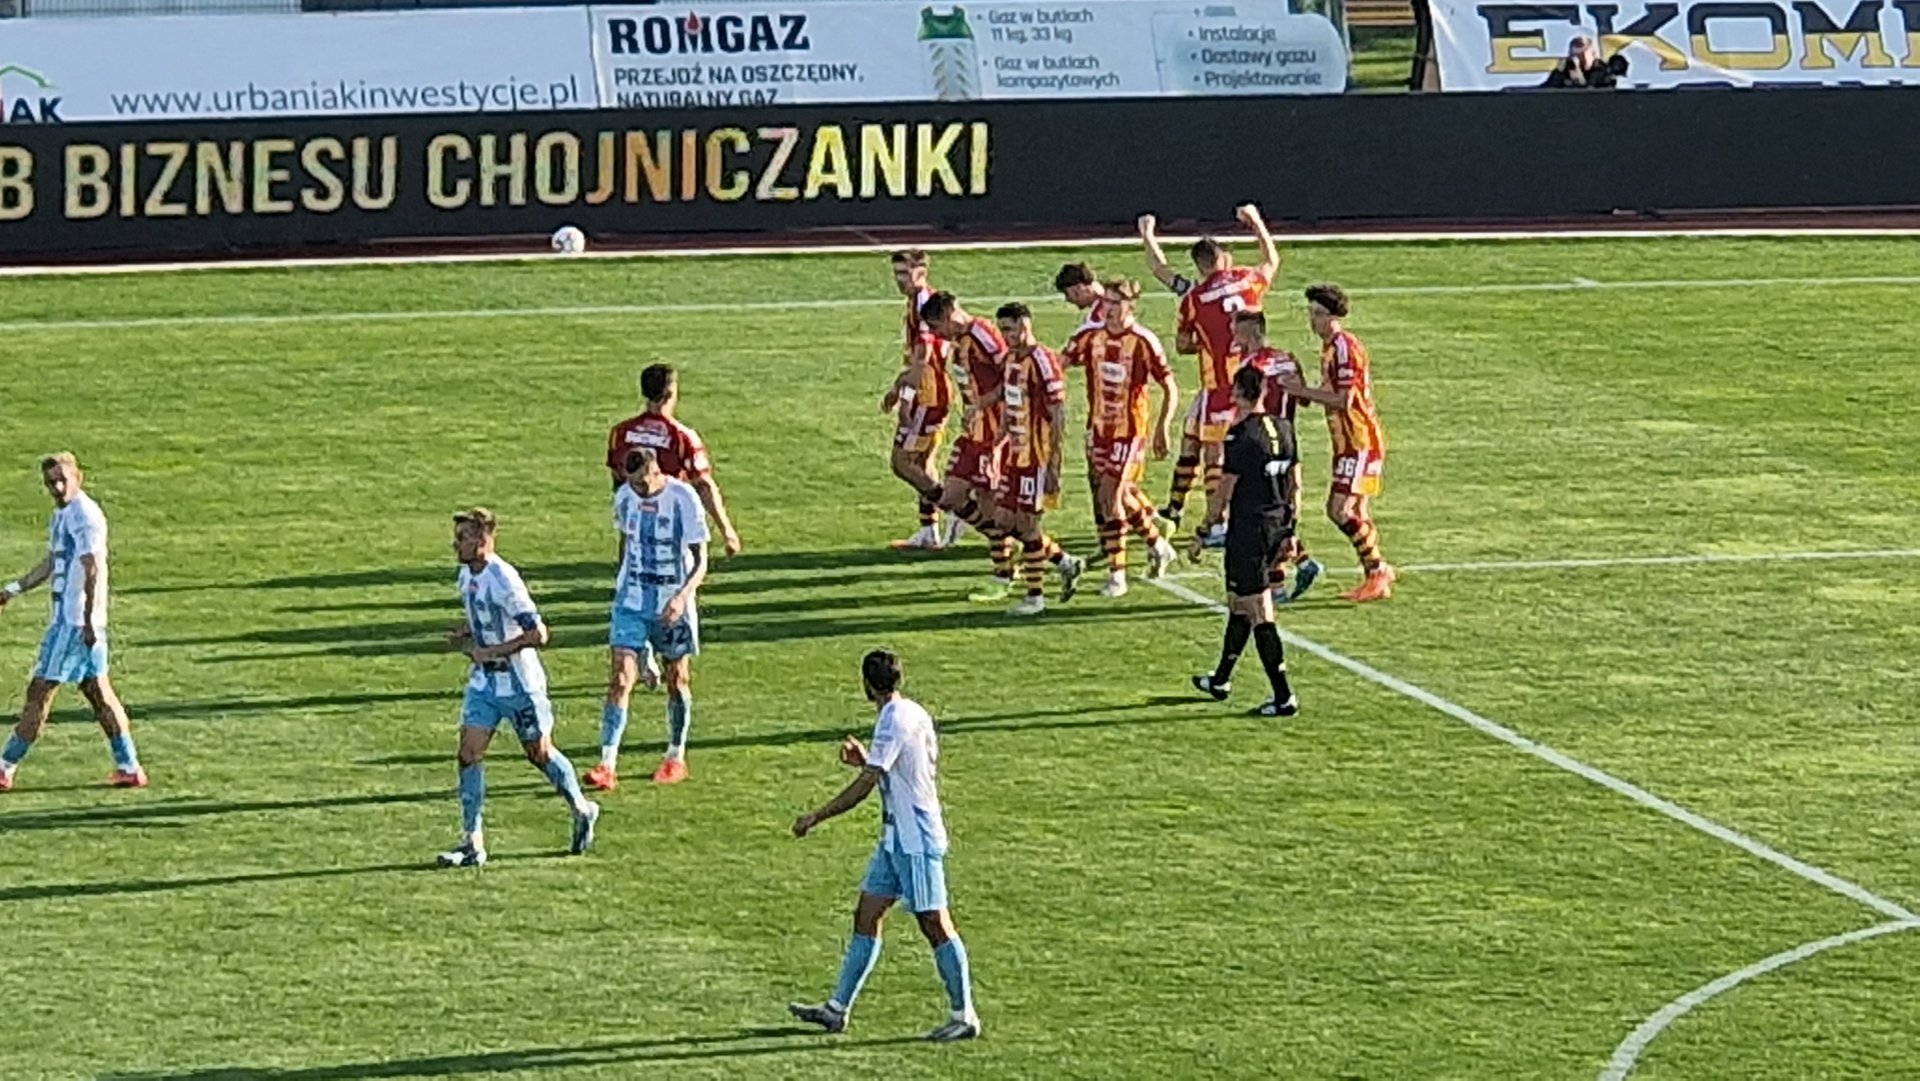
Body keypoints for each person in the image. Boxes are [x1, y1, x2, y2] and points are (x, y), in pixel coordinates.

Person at [788, 649, 980, 1043]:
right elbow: (905, 772)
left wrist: (815, 816)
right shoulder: (912, 712)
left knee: (935, 923)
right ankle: (837, 1009)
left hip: (915, 839)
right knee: (867, 913)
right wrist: (867, 762)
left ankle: (965, 1015)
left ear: (866, 684)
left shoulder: (892, 721)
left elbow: (866, 787)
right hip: (896, 839)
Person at [439, 507, 598, 867]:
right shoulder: (466, 575)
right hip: (485, 684)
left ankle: (582, 808)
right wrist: (465, 631)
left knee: (539, 753)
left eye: (463, 538)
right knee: (468, 754)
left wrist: (491, 651)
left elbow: (538, 633)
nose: (455, 544)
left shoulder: (504, 579)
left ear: (482, 539)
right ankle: (472, 842)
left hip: (520, 685)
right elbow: (484, 615)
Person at [0, 454, 145, 791]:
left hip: (74, 623)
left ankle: (5, 768)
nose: (57, 487)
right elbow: (53, 562)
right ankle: (129, 766)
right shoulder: (62, 515)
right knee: (98, 692)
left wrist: (90, 622)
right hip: (76, 622)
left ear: (78, 477)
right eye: (51, 482)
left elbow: (93, 568)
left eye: (63, 479)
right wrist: (12, 590)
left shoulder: (86, 516)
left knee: (39, 692)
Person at [604, 363, 740, 690]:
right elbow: (703, 484)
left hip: (633, 523)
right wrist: (727, 529)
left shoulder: (621, 433)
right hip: (672, 532)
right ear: (670, 393)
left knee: (632, 580)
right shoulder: (681, 437)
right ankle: (658, 654)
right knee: (674, 595)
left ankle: (641, 649)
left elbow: (617, 481)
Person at [1150, 205, 1281, 533]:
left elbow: (1182, 343)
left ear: (1200, 265)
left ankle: (1219, 524)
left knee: (1213, 453)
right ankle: (1176, 509)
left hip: (1220, 385)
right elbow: (1271, 260)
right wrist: (1256, 222)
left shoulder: (1194, 297)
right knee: (1192, 440)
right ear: (1223, 258)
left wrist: (1147, 234)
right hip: (1253, 378)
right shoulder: (1247, 280)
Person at [586, 446, 711, 790]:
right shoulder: (625, 497)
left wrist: (682, 598)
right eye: (633, 483)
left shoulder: (683, 498)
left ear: (657, 472)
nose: (638, 490)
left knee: (677, 679)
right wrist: (620, 583)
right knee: (620, 679)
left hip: (672, 603)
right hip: (632, 601)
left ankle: (675, 755)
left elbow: (701, 559)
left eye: (643, 483)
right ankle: (607, 764)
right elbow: (626, 544)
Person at [1190, 365, 1301, 717]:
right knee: (1238, 601)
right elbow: (1295, 485)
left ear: (1238, 392)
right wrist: (1292, 529)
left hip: (1249, 530)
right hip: (1277, 526)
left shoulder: (1240, 436)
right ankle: (1220, 680)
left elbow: (1223, 492)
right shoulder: (1284, 428)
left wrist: (1203, 531)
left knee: (1259, 609)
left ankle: (1283, 696)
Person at [1273, 285, 1395, 603]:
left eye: (1318, 313)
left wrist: (1300, 391)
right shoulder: (1330, 348)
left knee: (1339, 509)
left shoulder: (1344, 348)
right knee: (1356, 511)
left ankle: (1378, 570)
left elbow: (1343, 399)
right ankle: (1376, 575)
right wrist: (1302, 388)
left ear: (1333, 316)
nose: (1312, 319)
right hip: (1347, 441)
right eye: (1310, 313)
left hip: (1359, 440)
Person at [1062, 279, 1179, 597]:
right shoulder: (1091, 337)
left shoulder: (1143, 341)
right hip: (1099, 430)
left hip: (1129, 432)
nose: (1109, 309)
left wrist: (1163, 426)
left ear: (1130, 306)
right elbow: (1059, 364)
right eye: (1107, 303)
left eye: (1116, 303)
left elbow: (1169, 385)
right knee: (1119, 496)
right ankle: (1158, 545)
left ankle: (1117, 576)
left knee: (1111, 496)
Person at [918, 291, 1017, 588]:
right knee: (953, 498)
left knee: (986, 504)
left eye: (936, 327)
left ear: (949, 317)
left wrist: (984, 409)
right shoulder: (959, 340)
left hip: (992, 433)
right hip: (975, 431)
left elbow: (1012, 376)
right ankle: (1009, 549)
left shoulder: (984, 335)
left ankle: (1012, 568)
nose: (936, 334)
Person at [994, 303, 1085, 615]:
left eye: (1009, 329)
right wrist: (999, 441)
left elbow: (1058, 414)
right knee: (1004, 521)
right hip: (1015, 455)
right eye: (1002, 330)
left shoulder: (1042, 360)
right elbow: (1010, 403)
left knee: (1028, 526)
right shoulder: (1010, 359)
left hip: (1037, 457)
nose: (1005, 336)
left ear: (1024, 325)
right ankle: (1065, 562)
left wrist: (1054, 464)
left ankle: (1035, 598)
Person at [1230, 310, 1323, 603]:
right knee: (1280, 509)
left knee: (1264, 514)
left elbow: (1246, 406)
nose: (1233, 336)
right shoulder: (1288, 359)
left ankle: (1284, 579)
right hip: (1287, 437)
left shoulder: (1251, 366)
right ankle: (1294, 571)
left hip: (1263, 441)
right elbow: (1304, 399)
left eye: (1237, 330)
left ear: (1250, 332)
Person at [881, 249, 954, 551]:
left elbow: (922, 359)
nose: (899, 280)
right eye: (896, 273)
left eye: (905, 273)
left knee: (902, 463)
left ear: (922, 272)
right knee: (924, 462)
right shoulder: (920, 301)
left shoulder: (923, 304)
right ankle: (929, 530)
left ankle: (955, 508)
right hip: (936, 390)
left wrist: (906, 398)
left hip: (927, 393)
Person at [1541, 37, 1628, 88]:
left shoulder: (1603, 72)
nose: (1578, 60)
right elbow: (1544, 94)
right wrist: (1558, 73)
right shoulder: (1565, 71)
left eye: (1582, 56)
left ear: (1593, 54)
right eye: (1574, 56)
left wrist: (1580, 80)